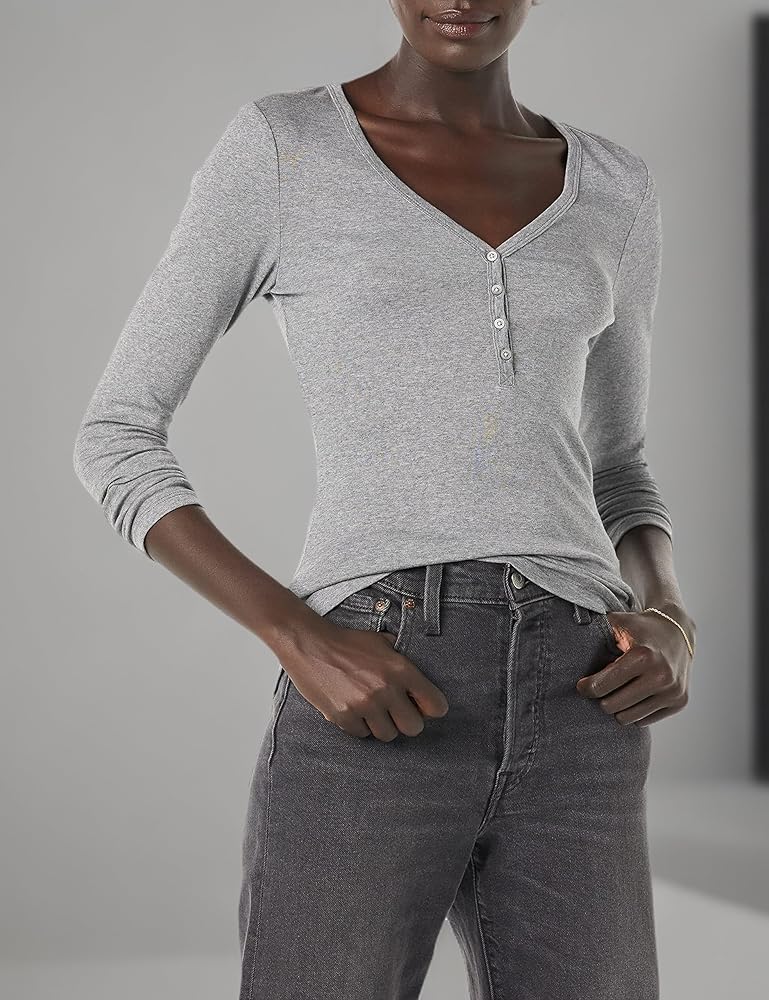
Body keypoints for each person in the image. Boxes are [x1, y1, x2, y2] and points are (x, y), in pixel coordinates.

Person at [73, 1, 697, 997]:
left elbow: (617, 464)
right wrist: (298, 636)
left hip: (582, 695)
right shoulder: (285, 149)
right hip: (379, 681)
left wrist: (666, 611)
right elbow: (115, 436)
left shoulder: (615, 187)